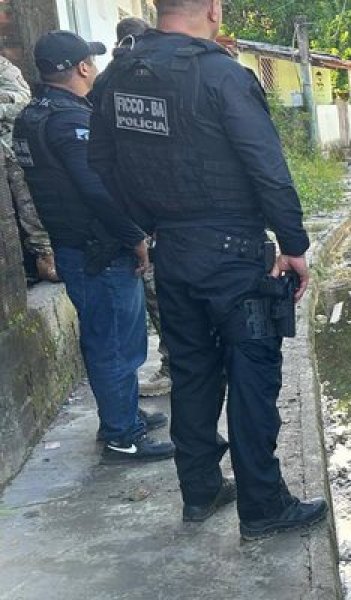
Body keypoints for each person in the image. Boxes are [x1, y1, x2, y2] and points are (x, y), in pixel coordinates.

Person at [90, 0, 328, 538]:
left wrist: (149, 222)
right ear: (214, 9)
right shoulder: (221, 75)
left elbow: (100, 163)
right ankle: (263, 506)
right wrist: (293, 244)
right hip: (233, 257)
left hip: (173, 251)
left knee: (192, 374)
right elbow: (267, 167)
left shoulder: (116, 77)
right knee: (252, 376)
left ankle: (199, 492)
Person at [14, 31, 173, 461]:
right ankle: (124, 436)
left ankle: (121, 416)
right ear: (83, 67)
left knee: (109, 340)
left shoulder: (32, 116)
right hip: (99, 251)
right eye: (92, 61)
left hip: (76, 246)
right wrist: (134, 236)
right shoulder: (70, 121)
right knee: (116, 345)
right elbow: (97, 188)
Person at [102, 16, 172, 398]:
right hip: (167, 210)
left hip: (145, 213)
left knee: (160, 293)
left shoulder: (111, 83)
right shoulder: (164, 77)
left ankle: (174, 365)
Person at [0, 54, 56, 283]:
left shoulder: (3, 67)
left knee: (28, 201)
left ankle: (44, 257)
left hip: (9, 148)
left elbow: (22, 99)